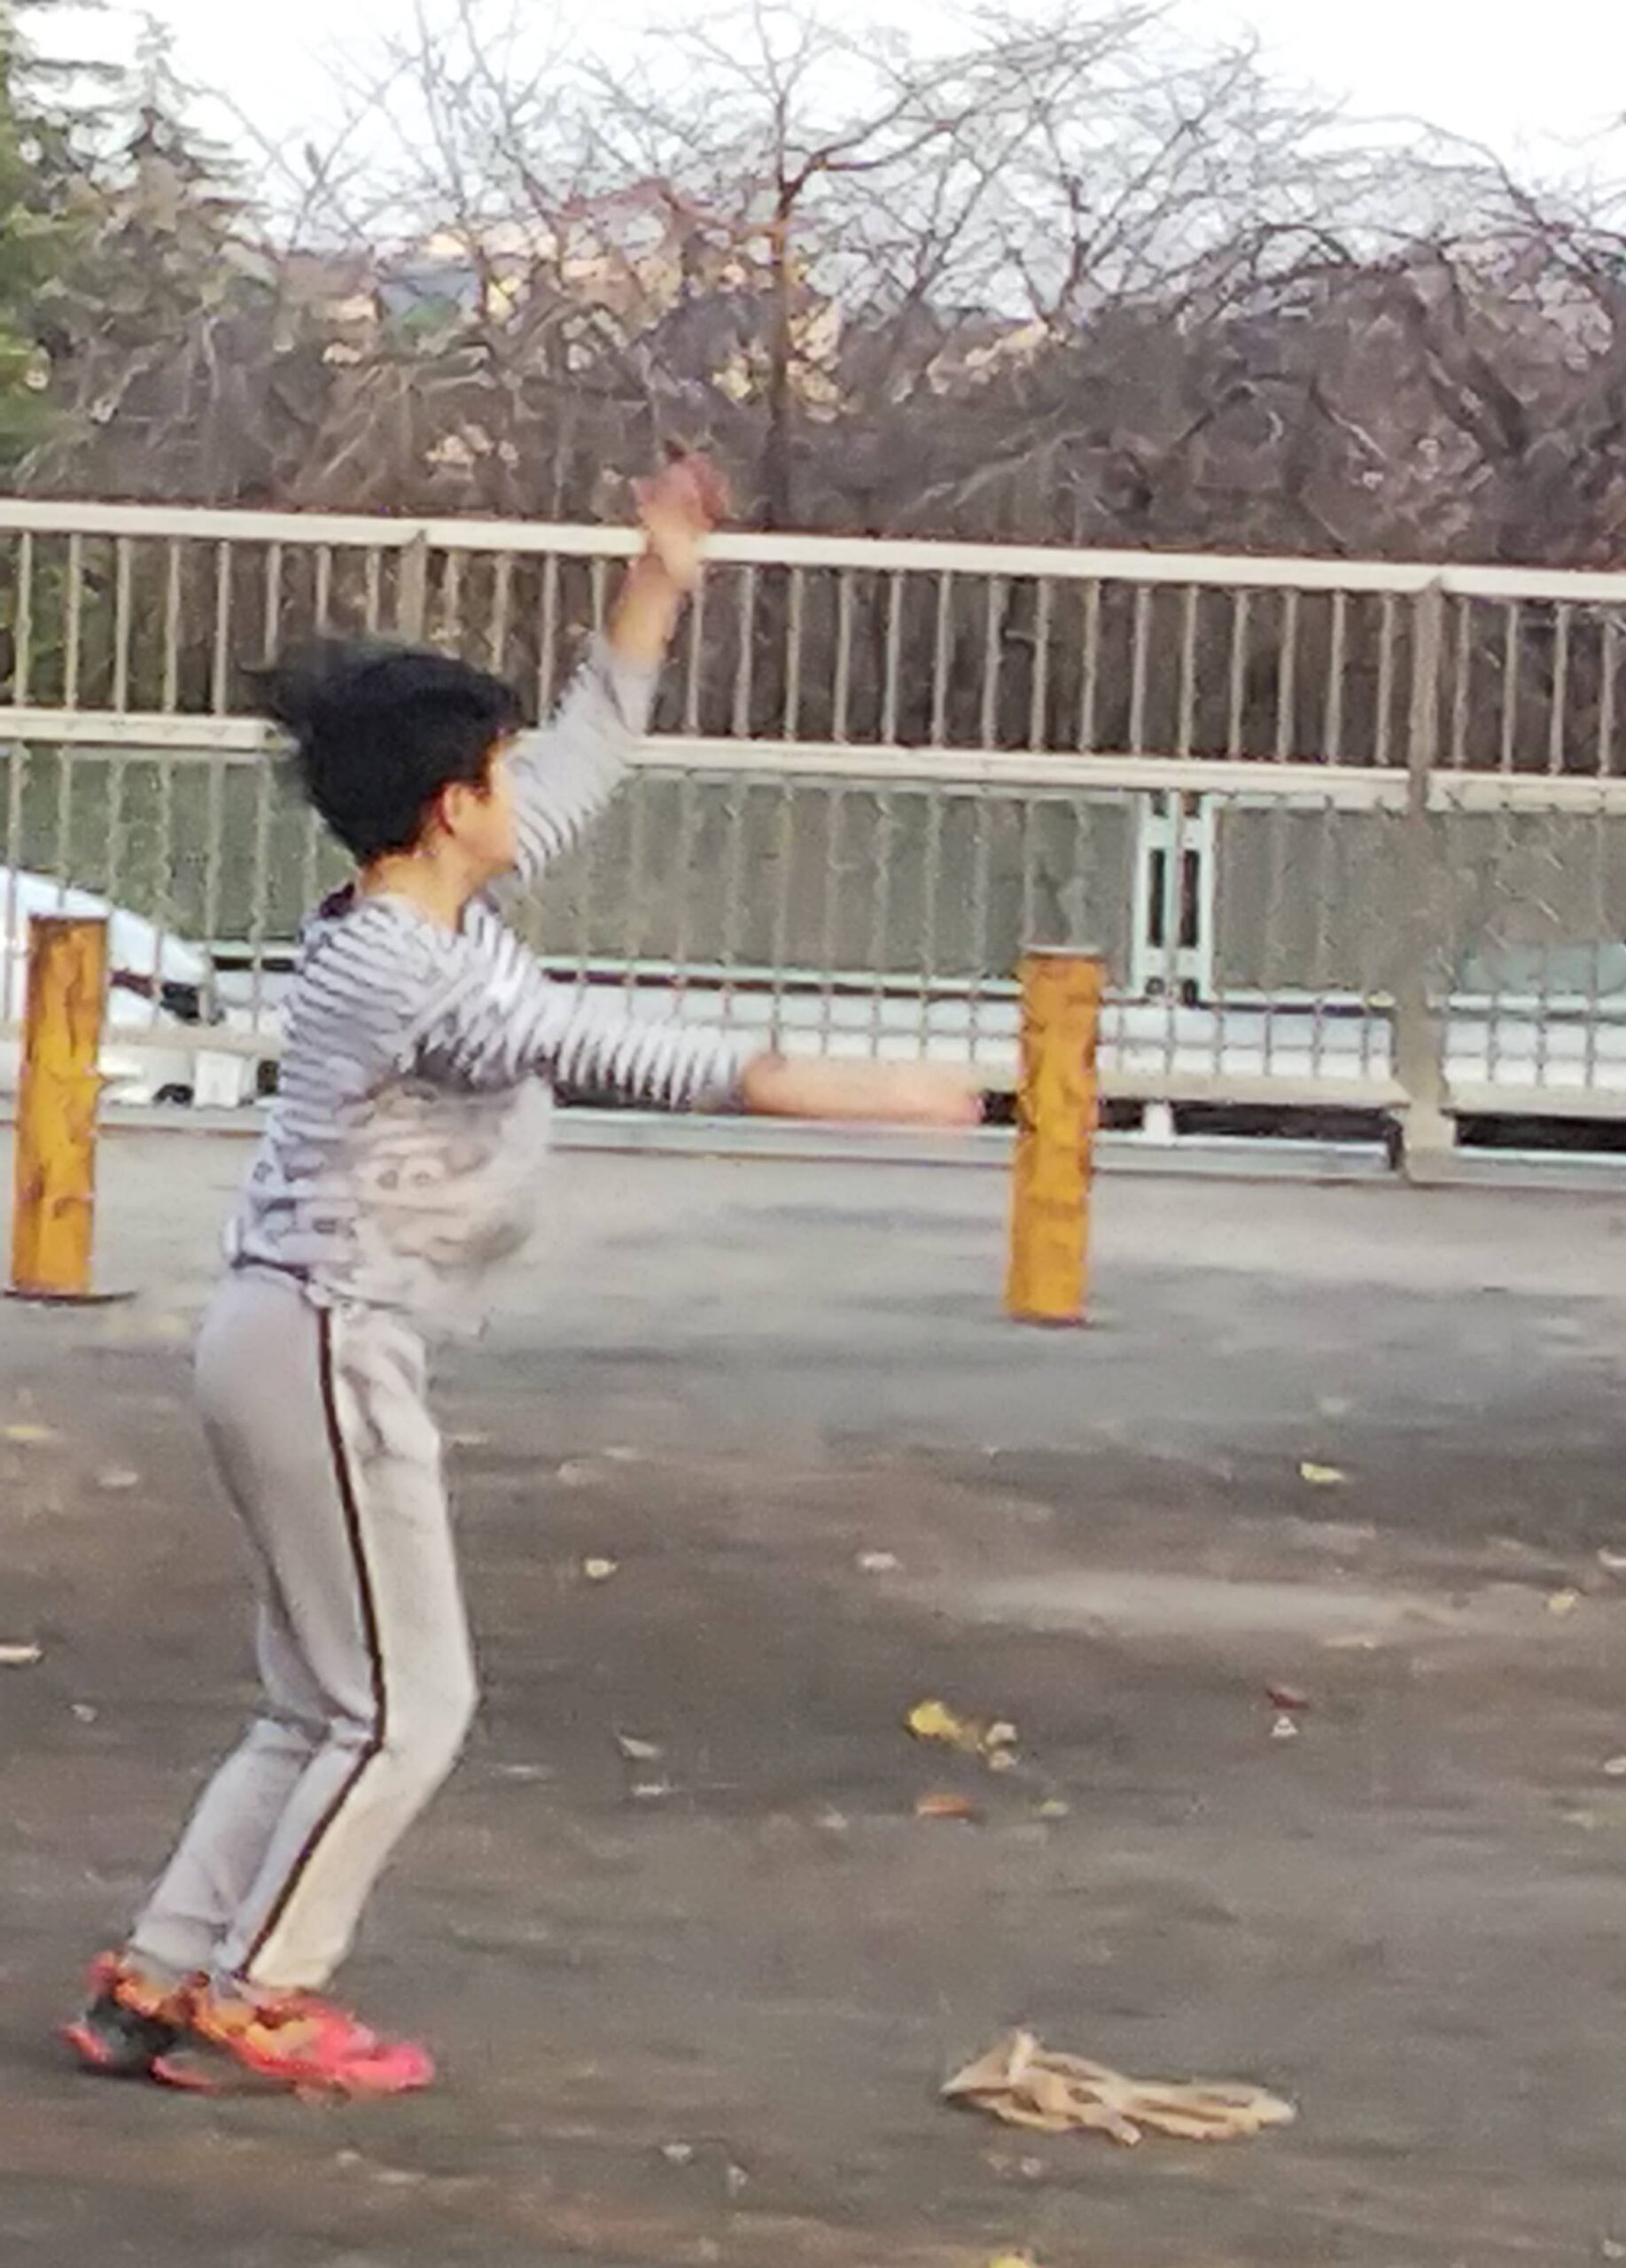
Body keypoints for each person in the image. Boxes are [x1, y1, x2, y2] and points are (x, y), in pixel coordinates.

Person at [64, 458, 977, 2096]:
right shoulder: (412, 975)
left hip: (293, 1337)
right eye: (493, 772)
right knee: (408, 1706)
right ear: (448, 807)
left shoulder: (428, 903)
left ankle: (158, 1978)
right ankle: (260, 1992)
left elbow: (590, 740)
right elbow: (637, 1055)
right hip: (326, 1343)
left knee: (320, 1703)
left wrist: (660, 573)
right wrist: (894, 1094)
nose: (517, 788)